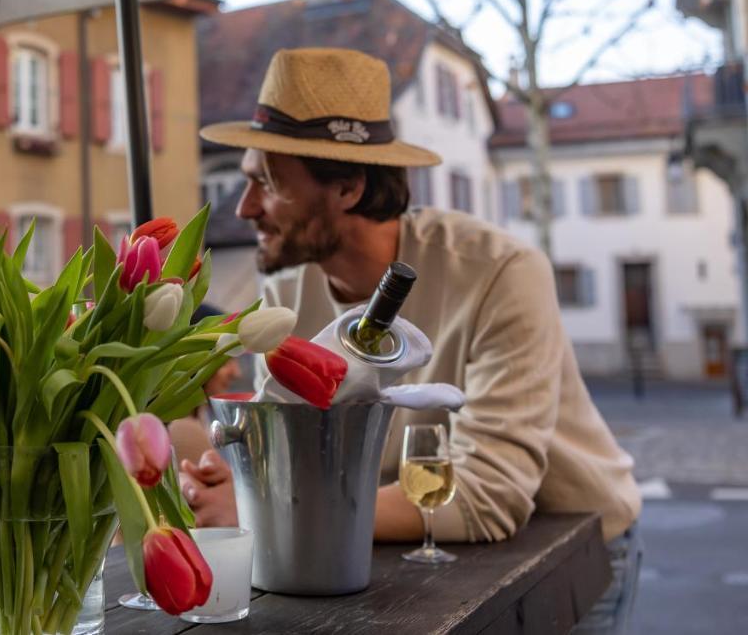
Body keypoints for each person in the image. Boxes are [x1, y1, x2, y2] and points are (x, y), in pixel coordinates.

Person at [186, 48, 642, 633]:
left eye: (266, 183)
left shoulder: (500, 271)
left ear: (348, 186)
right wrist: (244, 485)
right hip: (409, 560)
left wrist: (271, 514)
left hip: (571, 551)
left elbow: (487, 496)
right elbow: (291, 458)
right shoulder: (285, 294)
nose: (244, 208)